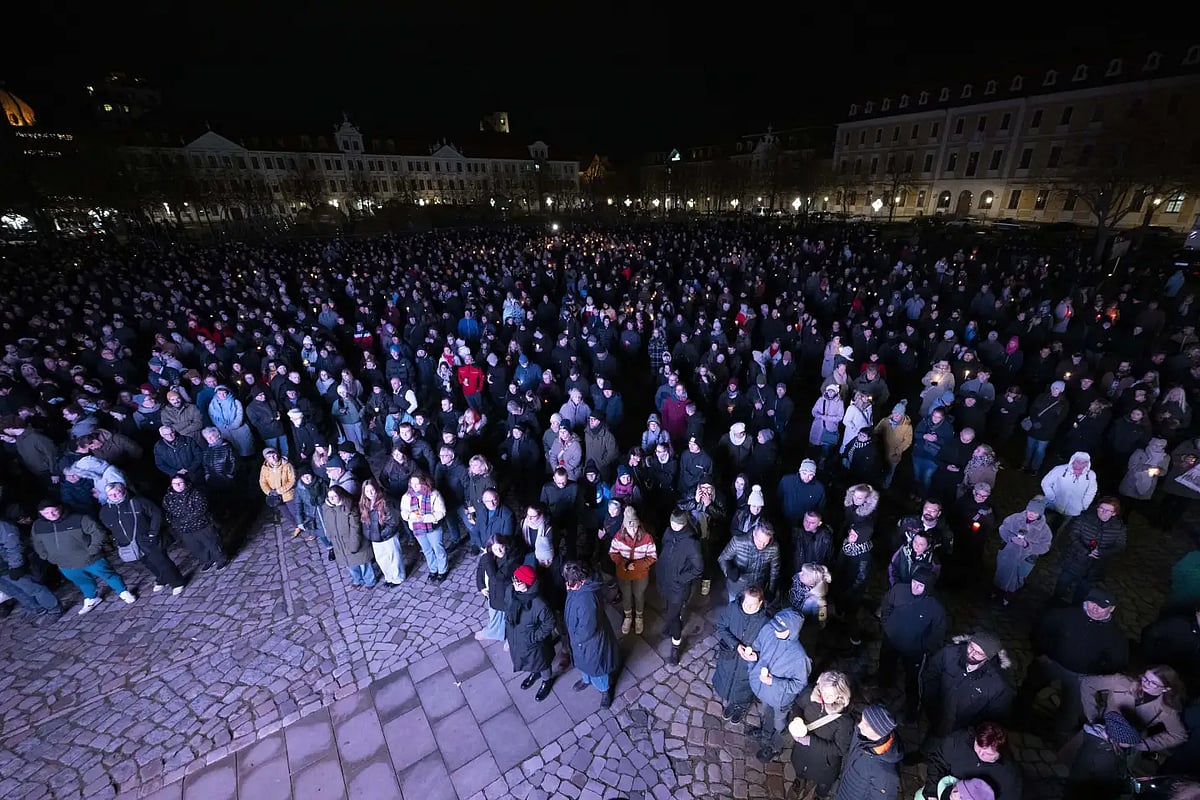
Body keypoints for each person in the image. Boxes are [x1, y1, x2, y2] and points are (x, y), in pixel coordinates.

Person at [1016, 587, 1130, 741]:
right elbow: (1041, 628)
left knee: (1070, 709)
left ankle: (1057, 736)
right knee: (1028, 690)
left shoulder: (1115, 635)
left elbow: (1117, 661)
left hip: (1081, 676)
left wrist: (1094, 677)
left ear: (1111, 609)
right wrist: (1040, 653)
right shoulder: (1066, 614)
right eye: (1091, 603)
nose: (1094, 609)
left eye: (1101, 606)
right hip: (1050, 663)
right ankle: (1017, 719)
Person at [32, 500, 136, 614]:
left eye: (54, 511)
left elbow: (98, 532)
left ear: (60, 508)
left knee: (109, 575)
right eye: (46, 513)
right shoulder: (38, 526)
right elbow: (37, 542)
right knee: (82, 581)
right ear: (41, 513)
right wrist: (45, 555)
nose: (51, 515)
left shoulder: (79, 518)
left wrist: (93, 549)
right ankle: (92, 598)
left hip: (90, 558)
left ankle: (123, 591)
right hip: (65, 564)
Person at [878, 565, 947, 721]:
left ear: (927, 587)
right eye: (914, 582)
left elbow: (938, 631)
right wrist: (887, 625)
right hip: (891, 640)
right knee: (886, 664)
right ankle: (883, 686)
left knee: (913, 680)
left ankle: (912, 709)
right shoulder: (899, 590)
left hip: (914, 651)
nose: (915, 587)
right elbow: (886, 604)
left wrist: (923, 646)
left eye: (920, 585)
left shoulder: (935, 607)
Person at [921, 631, 1015, 739]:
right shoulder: (949, 653)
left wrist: (971, 733)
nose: (971, 654)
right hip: (938, 719)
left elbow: (995, 718)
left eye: (979, 653)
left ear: (988, 657)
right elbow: (931, 675)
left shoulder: (998, 685)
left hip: (963, 734)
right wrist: (931, 703)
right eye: (971, 647)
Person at [98, 482, 185, 596]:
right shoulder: (105, 511)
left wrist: (153, 533)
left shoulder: (138, 501)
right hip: (130, 543)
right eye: (110, 494)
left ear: (123, 490)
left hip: (147, 539)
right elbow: (109, 526)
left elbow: (156, 514)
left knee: (161, 561)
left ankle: (177, 582)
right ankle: (161, 579)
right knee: (148, 563)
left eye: (117, 492)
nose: (114, 496)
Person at [746, 609, 811, 762]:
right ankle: (766, 734)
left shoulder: (800, 657)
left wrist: (774, 682)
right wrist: (752, 661)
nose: (776, 631)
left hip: (780, 698)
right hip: (764, 691)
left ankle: (775, 746)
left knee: (780, 724)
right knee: (767, 713)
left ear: (793, 631)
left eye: (781, 630)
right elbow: (757, 646)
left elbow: (799, 685)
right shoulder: (769, 629)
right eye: (775, 626)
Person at [786, 671, 854, 800]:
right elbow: (798, 706)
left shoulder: (845, 721)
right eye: (822, 690)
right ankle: (800, 781)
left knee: (823, 782)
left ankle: (819, 794)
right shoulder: (811, 694)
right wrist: (796, 720)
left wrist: (811, 741)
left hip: (824, 762)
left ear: (840, 696)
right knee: (800, 768)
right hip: (802, 751)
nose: (824, 697)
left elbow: (840, 749)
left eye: (830, 695)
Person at [563, 561, 620, 709]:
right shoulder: (578, 590)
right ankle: (586, 679)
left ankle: (605, 690)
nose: (568, 586)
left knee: (597, 668)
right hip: (580, 641)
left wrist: (575, 638)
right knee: (585, 663)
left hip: (591, 642)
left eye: (571, 583)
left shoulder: (587, 600)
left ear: (581, 580)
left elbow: (587, 629)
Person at [713, 585, 770, 724]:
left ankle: (742, 705)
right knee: (728, 677)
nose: (748, 607)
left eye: (753, 605)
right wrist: (736, 645)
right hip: (730, 655)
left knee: (744, 685)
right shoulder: (733, 609)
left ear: (760, 603)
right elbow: (721, 626)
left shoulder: (766, 622)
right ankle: (732, 701)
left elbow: (769, 648)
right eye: (746, 603)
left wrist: (756, 656)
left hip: (748, 664)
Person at [1054, 496, 1126, 605]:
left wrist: (1102, 553)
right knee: (1062, 585)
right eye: (1101, 508)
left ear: (1114, 513)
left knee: (1082, 593)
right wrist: (1085, 550)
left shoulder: (1119, 528)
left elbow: (1120, 545)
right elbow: (1073, 534)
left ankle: (1074, 609)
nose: (1103, 512)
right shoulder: (1084, 518)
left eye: (1108, 510)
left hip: (1095, 568)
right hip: (1075, 561)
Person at [922, 723, 1023, 800]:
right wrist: (932, 792)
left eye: (988, 754)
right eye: (978, 748)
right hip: (946, 789)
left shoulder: (1009, 776)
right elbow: (938, 761)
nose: (981, 754)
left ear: (1000, 754)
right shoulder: (958, 740)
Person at [656, 509, 703, 665]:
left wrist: (680, 578)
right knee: (669, 608)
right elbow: (664, 548)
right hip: (666, 582)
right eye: (672, 522)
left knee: (674, 616)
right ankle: (670, 625)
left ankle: (676, 645)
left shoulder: (691, 543)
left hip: (679, 587)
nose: (674, 525)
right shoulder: (668, 533)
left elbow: (698, 568)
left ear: (683, 524)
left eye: (677, 523)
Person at [505, 564, 557, 702]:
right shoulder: (512, 591)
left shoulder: (538, 603)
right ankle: (535, 673)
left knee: (542, 663)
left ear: (527, 583)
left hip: (534, 642)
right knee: (530, 661)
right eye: (514, 579)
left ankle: (547, 680)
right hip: (519, 637)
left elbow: (550, 622)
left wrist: (534, 637)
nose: (514, 583)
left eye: (518, 581)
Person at [833, 705, 903, 800]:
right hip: (845, 787)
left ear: (878, 732)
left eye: (866, 724)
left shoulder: (886, 775)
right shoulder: (862, 734)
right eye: (862, 719)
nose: (860, 725)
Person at [992, 496, 1052, 605]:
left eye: (1035, 512)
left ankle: (1008, 596)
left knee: (1018, 578)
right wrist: (1010, 538)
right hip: (1008, 553)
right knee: (1001, 573)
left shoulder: (1044, 529)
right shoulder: (1015, 518)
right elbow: (1003, 528)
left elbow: (1045, 546)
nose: (1031, 514)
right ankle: (997, 592)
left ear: (1040, 514)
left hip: (1026, 558)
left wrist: (1028, 545)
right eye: (1030, 510)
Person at [161, 473, 227, 571]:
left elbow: (201, 508)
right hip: (184, 529)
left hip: (201, 525)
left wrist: (185, 519)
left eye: (180, 483)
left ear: (185, 483)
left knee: (211, 543)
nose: (178, 486)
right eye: (175, 484)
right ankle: (208, 560)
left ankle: (221, 560)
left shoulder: (195, 493)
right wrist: (176, 523)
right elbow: (168, 514)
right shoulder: (168, 498)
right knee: (196, 547)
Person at [609, 505, 657, 635]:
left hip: (640, 574)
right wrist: (624, 563)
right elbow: (613, 553)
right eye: (630, 526)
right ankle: (628, 616)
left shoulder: (647, 538)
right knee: (626, 595)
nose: (633, 529)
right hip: (623, 573)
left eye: (635, 526)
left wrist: (637, 565)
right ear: (624, 526)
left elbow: (652, 556)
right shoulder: (618, 537)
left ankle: (639, 617)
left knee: (639, 595)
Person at [0, 514, 60, 619]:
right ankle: (36, 609)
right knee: (14, 591)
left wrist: (16, 565)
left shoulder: (3, 525)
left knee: (33, 588)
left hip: (9, 565)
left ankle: (54, 609)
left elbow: (13, 545)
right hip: (2, 570)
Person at [320, 486, 376, 589]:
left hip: (354, 540)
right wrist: (330, 537)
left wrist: (354, 545)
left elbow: (355, 528)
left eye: (334, 496)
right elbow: (327, 523)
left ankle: (369, 581)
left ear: (340, 496)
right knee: (350, 564)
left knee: (363, 563)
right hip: (339, 543)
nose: (331, 499)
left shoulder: (350, 508)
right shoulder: (326, 508)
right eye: (329, 497)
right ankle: (357, 579)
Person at [400, 473, 449, 583]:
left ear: (424, 483)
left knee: (438, 548)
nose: (414, 486)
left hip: (433, 527)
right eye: (412, 484)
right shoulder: (407, 496)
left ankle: (442, 570)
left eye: (417, 484)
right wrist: (410, 516)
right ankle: (433, 569)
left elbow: (441, 512)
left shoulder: (434, 494)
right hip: (417, 527)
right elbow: (403, 511)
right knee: (427, 550)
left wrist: (426, 518)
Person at [720, 522, 782, 604]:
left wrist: (771, 590)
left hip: (757, 589)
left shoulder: (774, 548)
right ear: (754, 534)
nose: (762, 545)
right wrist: (728, 571)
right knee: (734, 610)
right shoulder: (738, 541)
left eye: (765, 543)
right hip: (737, 587)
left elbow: (775, 570)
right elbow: (723, 558)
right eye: (759, 541)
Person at [475, 535, 520, 641]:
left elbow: (496, 578)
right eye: (495, 549)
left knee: (506, 619)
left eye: (501, 547)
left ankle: (509, 640)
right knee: (494, 615)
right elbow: (480, 571)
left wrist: (486, 559)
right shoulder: (490, 557)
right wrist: (481, 587)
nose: (499, 551)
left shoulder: (512, 560)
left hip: (504, 594)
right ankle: (494, 633)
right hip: (493, 593)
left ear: (506, 546)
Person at [360, 479, 405, 587]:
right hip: (375, 538)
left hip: (387, 536)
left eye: (372, 490)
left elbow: (393, 522)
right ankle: (389, 577)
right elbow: (365, 523)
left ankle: (398, 578)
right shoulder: (364, 504)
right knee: (382, 559)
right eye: (367, 491)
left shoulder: (385, 502)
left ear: (376, 489)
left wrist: (382, 534)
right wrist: (370, 535)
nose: (370, 494)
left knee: (394, 558)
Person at [259, 447, 298, 533]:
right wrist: (269, 492)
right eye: (269, 457)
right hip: (276, 498)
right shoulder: (264, 468)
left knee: (295, 512)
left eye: (274, 455)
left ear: (278, 455)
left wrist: (279, 490)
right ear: (266, 458)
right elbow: (263, 482)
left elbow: (292, 480)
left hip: (288, 495)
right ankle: (296, 526)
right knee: (286, 514)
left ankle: (306, 528)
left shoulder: (286, 465)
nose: (272, 458)